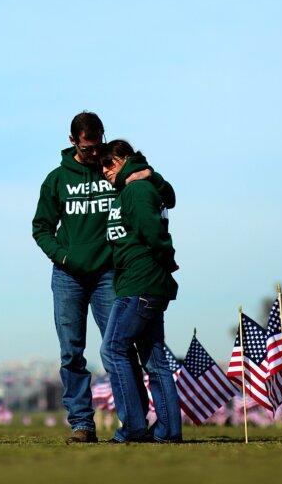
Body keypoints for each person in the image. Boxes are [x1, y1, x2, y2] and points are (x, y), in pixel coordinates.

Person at [32, 112, 176, 444]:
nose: (94, 155)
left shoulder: (115, 170)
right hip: (68, 276)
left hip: (110, 275)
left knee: (120, 350)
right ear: (72, 142)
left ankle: (135, 422)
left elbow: (163, 197)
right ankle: (82, 424)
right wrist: (64, 255)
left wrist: (150, 175)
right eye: (87, 149)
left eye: (98, 147)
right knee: (72, 353)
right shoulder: (56, 180)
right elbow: (40, 227)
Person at [98, 139, 182, 443]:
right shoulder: (134, 188)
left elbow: (153, 231)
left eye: (109, 163)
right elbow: (168, 199)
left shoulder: (136, 189)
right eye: (101, 166)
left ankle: (133, 426)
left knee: (113, 348)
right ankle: (169, 431)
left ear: (123, 159)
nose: (104, 170)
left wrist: (168, 260)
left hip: (139, 283)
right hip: (143, 282)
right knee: (154, 359)